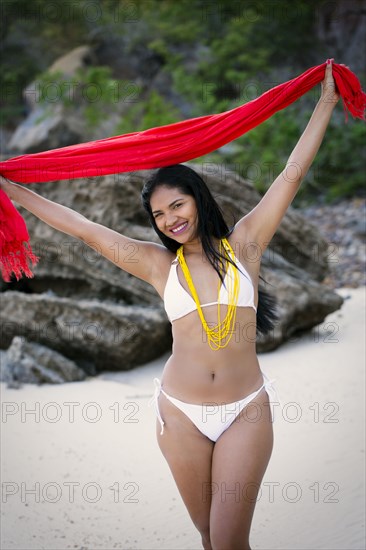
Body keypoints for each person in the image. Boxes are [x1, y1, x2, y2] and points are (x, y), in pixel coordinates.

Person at [0, 61, 339, 549]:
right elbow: (84, 229)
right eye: (159, 215)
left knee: (228, 542)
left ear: (197, 199)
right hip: (179, 413)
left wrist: (325, 102)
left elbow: (291, 173)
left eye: (176, 206)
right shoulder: (159, 266)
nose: (169, 220)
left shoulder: (245, 244)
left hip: (246, 409)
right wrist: (12, 190)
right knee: (206, 537)